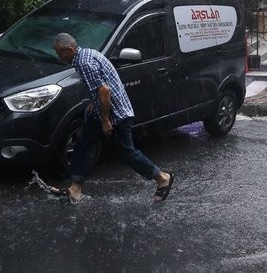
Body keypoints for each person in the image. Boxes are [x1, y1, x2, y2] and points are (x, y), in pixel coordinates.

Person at [50, 32, 174, 203]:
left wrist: (105, 120)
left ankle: (162, 178)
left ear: (70, 49)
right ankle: (75, 189)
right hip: (106, 108)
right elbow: (102, 85)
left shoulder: (83, 62)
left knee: (127, 152)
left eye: (60, 53)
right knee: (83, 144)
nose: (59, 56)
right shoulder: (87, 54)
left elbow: (104, 90)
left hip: (116, 114)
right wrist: (95, 102)